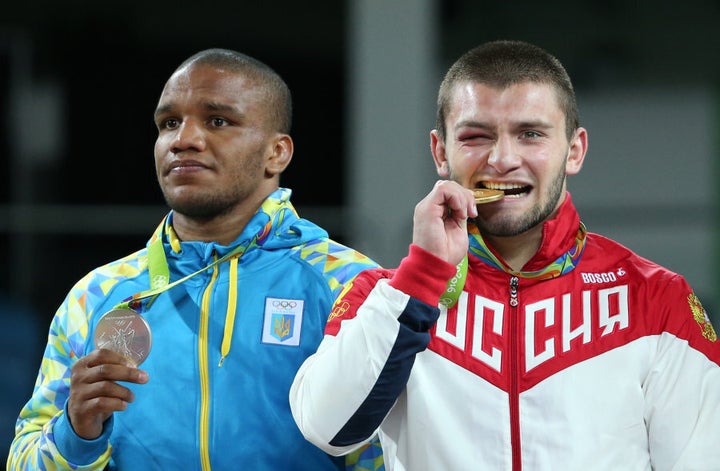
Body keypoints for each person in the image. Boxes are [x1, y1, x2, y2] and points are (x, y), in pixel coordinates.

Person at [289, 40, 720, 470]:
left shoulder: (654, 299)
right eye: (476, 136)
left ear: (574, 150)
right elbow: (329, 430)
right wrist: (422, 278)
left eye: (530, 134)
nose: (503, 159)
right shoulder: (384, 297)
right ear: (441, 152)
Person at [7, 48, 384, 470]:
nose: (183, 139)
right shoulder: (97, 295)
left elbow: (384, 455)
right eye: (169, 123)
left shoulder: (348, 286)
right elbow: (22, 461)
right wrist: (75, 434)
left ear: (277, 153)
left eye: (217, 121)